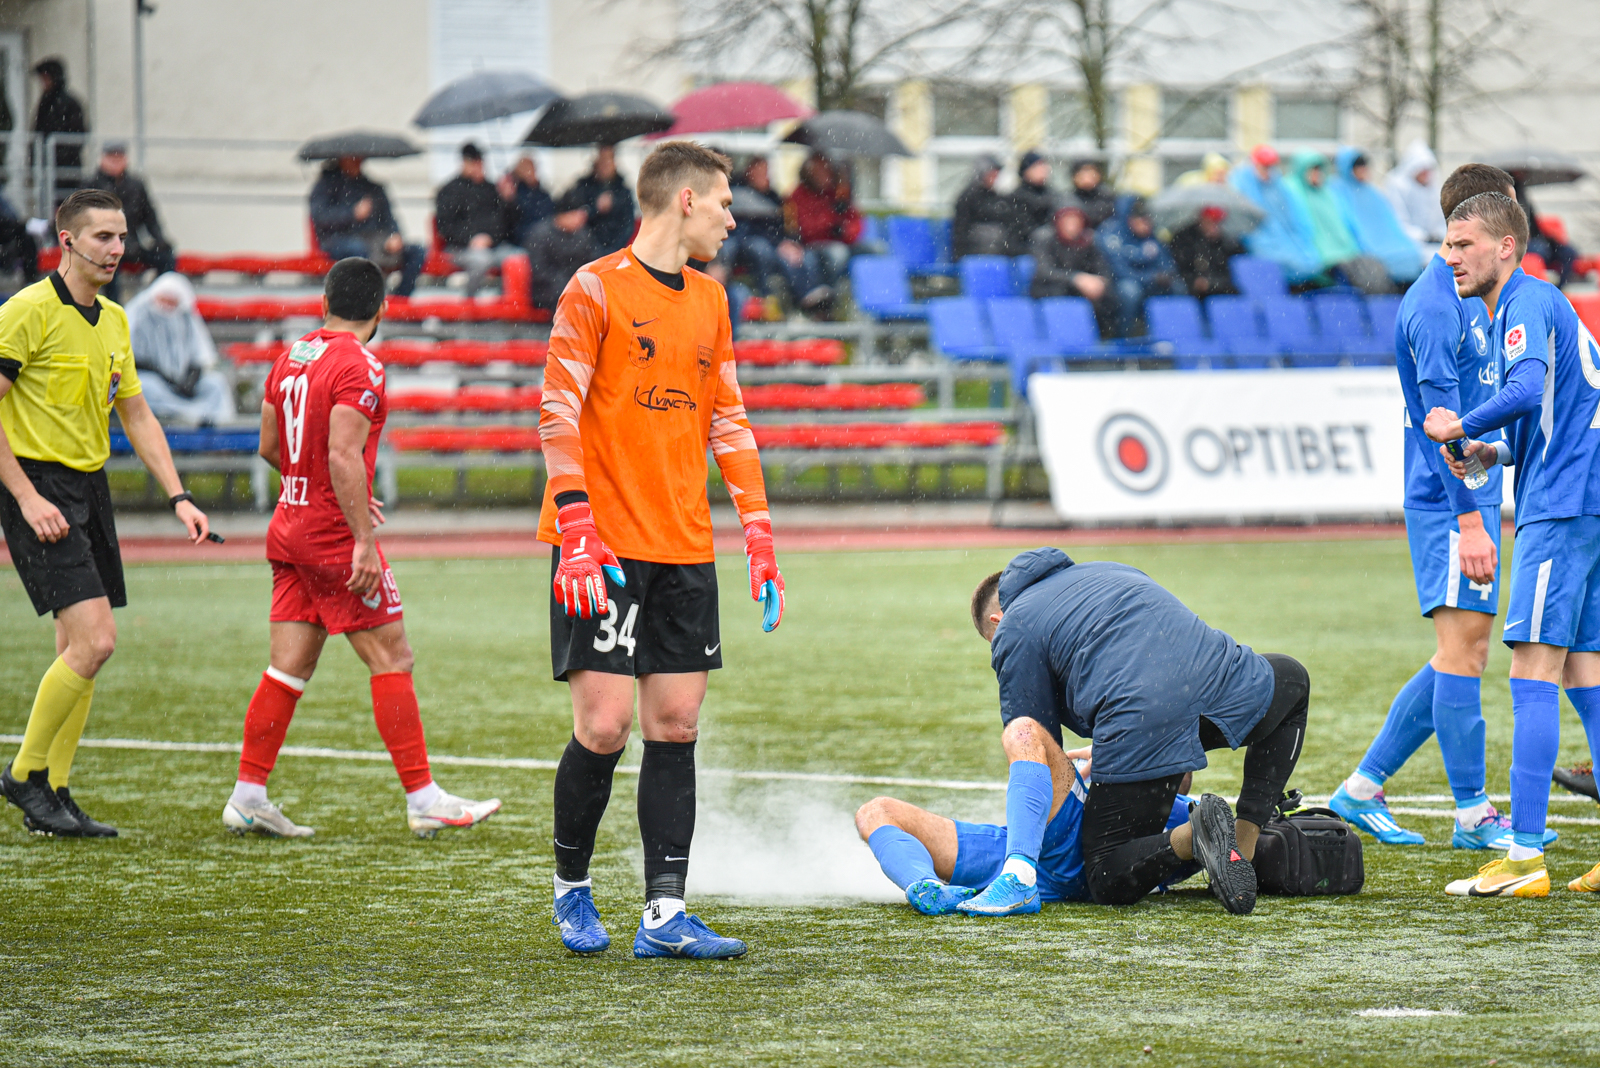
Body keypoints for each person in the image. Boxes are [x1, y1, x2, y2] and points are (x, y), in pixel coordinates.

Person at [538, 140, 785, 960]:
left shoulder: (712, 300)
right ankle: (571, 888)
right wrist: (576, 524)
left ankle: (664, 915)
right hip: (601, 545)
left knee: (675, 724)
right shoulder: (594, 287)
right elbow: (557, 412)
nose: (731, 219)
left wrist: (757, 533)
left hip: (683, 544)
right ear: (685, 200)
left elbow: (729, 420)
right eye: (724, 203)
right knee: (605, 727)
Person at [221, 257, 502, 840]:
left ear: (324, 302)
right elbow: (344, 453)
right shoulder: (361, 364)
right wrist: (363, 539)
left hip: (289, 521)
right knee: (392, 657)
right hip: (330, 534)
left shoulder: (291, 356)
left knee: (288, 667)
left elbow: (270, 446)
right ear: (382, 310)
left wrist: (315, 488)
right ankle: (424, 798)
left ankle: (247, 796)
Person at [1328, 164, 1529, 851]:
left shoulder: (1474, 292)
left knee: (1460, 650)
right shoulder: (1437, 305)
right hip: (1450, 502)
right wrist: (1469, 521)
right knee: (1464, 654)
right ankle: (1472, 814)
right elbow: (1439, 425)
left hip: (1471, 492)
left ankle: (1362, 789)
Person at [0, 189, 211, 838]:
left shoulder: (116, 319)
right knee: (96, 642)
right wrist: (27, 497)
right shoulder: (25, 312)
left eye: (121, 237)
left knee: (78, 647)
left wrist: (178, 495)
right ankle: (24, 776)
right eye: (103, 237)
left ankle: (56, 795)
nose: (117, 248)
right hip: (36, 486)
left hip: (88, 489)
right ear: (66, 241)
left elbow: (137, 414)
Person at [955, 549, 1309, 917]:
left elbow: (1035, 745)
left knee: (1105, 875)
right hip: (1215, 674)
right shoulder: (1104, 569)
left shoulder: (1013, 626)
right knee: (1293, 682)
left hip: (1142, 719)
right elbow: (1146, 652)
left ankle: (1193, 837)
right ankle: (1244, 843)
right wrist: (1108, 746)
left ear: (996, 621)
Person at [1425, 192, 1600, 898]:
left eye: (1463, 243)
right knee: (1587, 678)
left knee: (1533, 673)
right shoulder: (1542, 306)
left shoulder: (1525, 301)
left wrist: (1459, 424)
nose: (1451, 257)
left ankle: (1524, 856)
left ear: (1506, 246)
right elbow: (1556, 412)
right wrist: (1493, 452)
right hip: (1586, 501)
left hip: (1560, 509)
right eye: (1448, 244)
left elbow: (1528, 390)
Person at [858, 749, 1198, 915]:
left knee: (1027, 731)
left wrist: (1110, 755)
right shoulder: (1186, 820)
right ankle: (927, 887)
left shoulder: (1178, 809)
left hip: (1036, 853)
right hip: (1021, 855)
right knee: (876, 811)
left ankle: (922, 882)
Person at [125, 272, 236, 426]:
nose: (167, 306)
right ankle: (180, 416)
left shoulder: (186, 318)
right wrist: (165, 378)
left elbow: (199, 356)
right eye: (164, 300)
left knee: (216, 383)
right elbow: (133, 358)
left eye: (172, 302)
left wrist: (189, 381)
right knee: (145, 386)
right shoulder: (139, 315)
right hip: (154, 379)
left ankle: (211, 423)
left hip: (182, 381)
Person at [308, 156, 424, 297]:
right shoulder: (325, 186)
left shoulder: (373, 188)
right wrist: (352, 214)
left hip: (375, 240)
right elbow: (321, 217)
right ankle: (367, 297)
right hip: (339, 240)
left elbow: (389, 218)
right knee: (358, 250)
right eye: (352, 157)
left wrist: (394, 235)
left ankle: (401, 297)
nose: (357, 161)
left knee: (417, 251)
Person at [1283, 150, 1393, 293]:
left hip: (1343, 254)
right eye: (1312, 170)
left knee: (1371, 270)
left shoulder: (1327, 194)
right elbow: (1305, 228)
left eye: (1318, 170)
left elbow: (1342, 227)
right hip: (1321, 256)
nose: (1317, 174)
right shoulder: (1294, 192)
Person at [87, 142, 178, 301]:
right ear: (102, 160)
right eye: (111, 158)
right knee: (110, 266)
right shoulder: (91, 185)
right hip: (104, 247)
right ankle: (114, 307)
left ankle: (157, 301)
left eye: (119, 158)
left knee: (166, 257)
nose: (115, 162)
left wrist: (160, 240)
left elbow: (150, 217)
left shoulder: (136, 185)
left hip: (133, 246)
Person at [709, 157, 803, 308]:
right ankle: (719, 290)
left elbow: (783, 227)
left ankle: (767, 298)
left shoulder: (774, 198)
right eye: (759, 172)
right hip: (734, 238)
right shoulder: (736, 190)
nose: (764, 176)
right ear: (750, 172)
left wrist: (785, 242)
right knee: (727, 248)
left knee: (762, 250)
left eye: (766, 172)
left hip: (762, 241)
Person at [1229, 144, 1322, 284]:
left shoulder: (1280, 187)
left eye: (1270, 166)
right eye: (1264, 166)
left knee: (1310, 262)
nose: (1268, 171)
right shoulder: (1241, 185)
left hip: (1286, 244)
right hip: (1262, 246)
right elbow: (1247, 229)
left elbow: (1296, 220)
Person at [1331, 148, 1423, 285]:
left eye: (1364, 165)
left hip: (1387, 243)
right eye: (1358, 166)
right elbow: (1348, 224)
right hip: (1367, 248)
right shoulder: (1337, 191)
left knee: (1412, 254)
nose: (1362, 170)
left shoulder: (1372, 192)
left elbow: (1390, 223)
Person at [434, 143, 517, 297]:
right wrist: (471, 239)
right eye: (474, 163)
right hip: (459, 247)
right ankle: (469, 300)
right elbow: (445, 226)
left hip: (493, 246)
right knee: (481, 261)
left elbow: (504, 223)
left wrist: (508, 201)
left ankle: (507, 300)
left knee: (517, 259)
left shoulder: (492, 189)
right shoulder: (449, 191)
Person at [786, 152, 862, 314]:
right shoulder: (799, 195)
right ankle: (827, 298)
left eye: (826, 170)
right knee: (837, 254)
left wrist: (845, 229)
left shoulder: (839, 192)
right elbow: (805, 228)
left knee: (877, 250)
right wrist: (831, 222)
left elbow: (856, 222)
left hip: (843, 242)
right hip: (814, 244)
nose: (824, 175)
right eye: (819, 171)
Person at [1096, 197, 1181, 336]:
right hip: (1120, 282)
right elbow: (1118, 270)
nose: (1144, 224)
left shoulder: (1152, 237)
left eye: (1147, 219)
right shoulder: (1112, 234)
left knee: (1178, 286)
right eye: (1139, 219)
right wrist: (1150, 278)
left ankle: (1172, 336)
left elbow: (1167, 264)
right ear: (1129, 219)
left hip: (1151, 281)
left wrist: (1166, 274)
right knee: (1130, 292)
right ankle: (1122, 335)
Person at [1030, 206, 1115, 335]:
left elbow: (1102, 268)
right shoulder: (1044, 239)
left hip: (1079, 289)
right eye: (1067, 221)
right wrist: (1075, 278)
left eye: (1076, 221)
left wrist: (1099, 282)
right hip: (1049, 287)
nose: (1072, 226)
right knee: (1060, 294)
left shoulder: (1089, 242)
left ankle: (1103, 337)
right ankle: (1062, 336)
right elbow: (1044, 272)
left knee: (1109, 295)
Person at [523, 189, 597, 312]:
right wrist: (570, 282)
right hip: (547, 290)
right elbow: (539, 270)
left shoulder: (583, 235)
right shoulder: (540, 234)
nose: (581, 219)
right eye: (577, 215)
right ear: (564, 215)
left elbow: (592, 260)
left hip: (575, 284)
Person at [31, 59, 87, 203]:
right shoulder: (45, 102)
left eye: (46, 78)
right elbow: (38, 131)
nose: (44, 83)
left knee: (66, 202)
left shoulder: (69, 103)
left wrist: (59, 155)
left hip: (65, 169)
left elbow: (78, 135)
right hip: (47, 167)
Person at [570, 144, 636, 255]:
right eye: (603, 160)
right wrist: (595, 208)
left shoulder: (624, 191)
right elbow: (576, 219)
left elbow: (628, 224)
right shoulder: (583, 187)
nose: (605, 165)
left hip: (616, 249)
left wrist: (616, 249)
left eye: (609, 160)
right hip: (587, 251)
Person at [1385, 139, 1446, 257]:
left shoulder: (1434, 190)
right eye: (1422, 170)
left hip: (1433, 244)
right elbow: (1398, 222)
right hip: (1407, 245)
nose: (1426, 175)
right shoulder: (1399, 187)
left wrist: (1438, 234)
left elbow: (1442, 220)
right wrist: (1421, 236)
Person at [1169, 206, 1241, 297]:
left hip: (1216, 291)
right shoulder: (1184, 240)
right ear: (1202, 220)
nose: (1215, 227)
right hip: (1188, 289)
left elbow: (1228, 275)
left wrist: (1210, 283)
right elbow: (1179, 267)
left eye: (1217, 223)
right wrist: (1194, 281)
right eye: (1211, 222)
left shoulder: (1225, 244)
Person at [951, 155, 1011, 260]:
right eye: (992, 174)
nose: (995, 178)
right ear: (982, 174)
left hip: (993, 248)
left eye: (996, 175)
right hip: (975, 249)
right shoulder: (969, 197)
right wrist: (960, 256)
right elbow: (961, 229)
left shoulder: (996, 197)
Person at [1007, 151, 1059, 251]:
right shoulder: (1016, 197)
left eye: (1043, 166)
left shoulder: (1054, 195)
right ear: (1025, 171)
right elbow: (1019, 230)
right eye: (1036, 167)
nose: (1042, 170)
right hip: (1025, 248)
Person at [500, 154, 555, 247]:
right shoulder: (514, 194)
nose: (531, 173)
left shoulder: (542, 194)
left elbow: (551, 214)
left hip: (545, 236)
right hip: (524, 238)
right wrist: (508, 200)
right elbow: (510, 220)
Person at [1066, 158, 1117, 230]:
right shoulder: (1067, 199)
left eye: (1090, 172)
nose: (1087, 177)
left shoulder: (1107, 197)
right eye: (1083, 173)